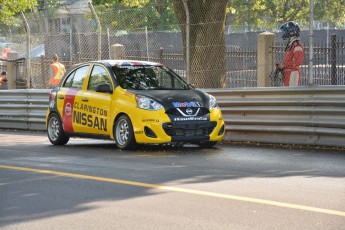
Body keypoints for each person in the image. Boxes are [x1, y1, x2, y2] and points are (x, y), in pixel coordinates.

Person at [277, 21, 304, 87]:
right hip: (287, 73)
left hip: (293, 74)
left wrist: (284, 65)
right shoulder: (290, 44)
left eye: (286, 31)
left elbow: (298, 62)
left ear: (291, 31)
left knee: (291, 96)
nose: (285, 33)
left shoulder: (297, 45)